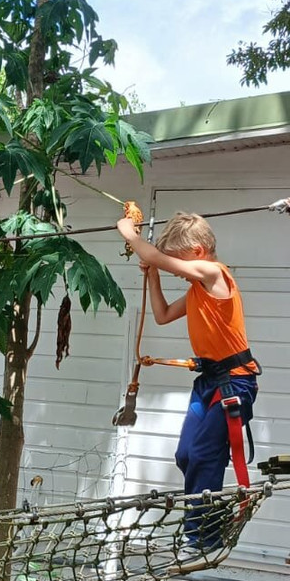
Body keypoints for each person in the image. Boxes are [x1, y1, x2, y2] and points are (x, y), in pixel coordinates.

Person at [115, 211, 260, 555]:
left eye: (177, 260)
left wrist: (130, 235)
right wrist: (152, 276)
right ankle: (211, 511)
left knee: (203, 455)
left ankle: (202, 538)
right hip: (210, 381)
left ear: (196, 252)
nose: (175, 268)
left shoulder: (214, 274)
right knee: (186, 455)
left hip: (234, 383)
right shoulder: (198, 290)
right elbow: (163, 316)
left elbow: (152, 254)